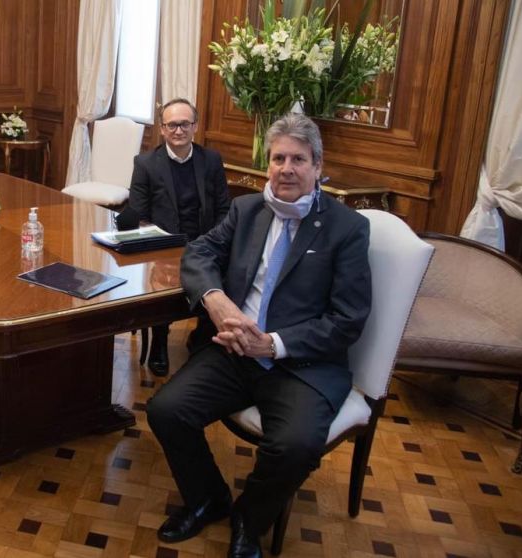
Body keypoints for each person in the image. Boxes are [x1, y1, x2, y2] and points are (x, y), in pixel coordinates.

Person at [146, 114, 371, 557]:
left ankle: (249, 520)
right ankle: (208, 499)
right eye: (278, 159)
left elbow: (347, 319)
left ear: (318, 165)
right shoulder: (248, 210)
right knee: (166, 410)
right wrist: (216, 300)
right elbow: (199, 252)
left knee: (295, 447)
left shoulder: (346, 228)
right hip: (234, 352)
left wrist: (272, 344)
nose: (286, 169)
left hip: (301, 364)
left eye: (298, 160)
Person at [128, 98, 230, 376]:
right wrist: (162, 246)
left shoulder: (211, 160)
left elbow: (224, 209)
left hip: (205, 242)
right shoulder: (146, 163)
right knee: (160, 283)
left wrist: (214, 242)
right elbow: (139, 215)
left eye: (185, 124)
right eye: (172, 125)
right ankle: (160, 339)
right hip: (164, 247)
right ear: (162, 129)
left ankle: (202, 337)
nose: (178, 131)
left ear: (195, 126)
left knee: (227, 274)